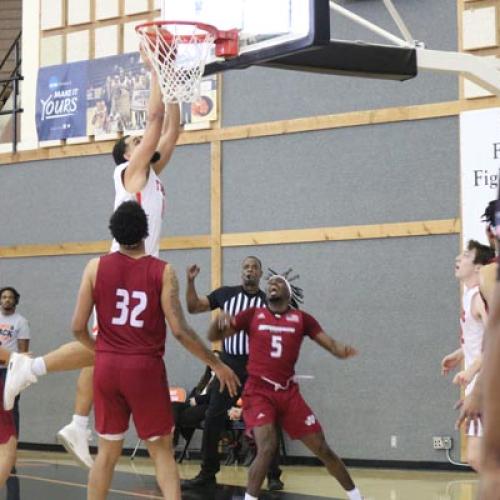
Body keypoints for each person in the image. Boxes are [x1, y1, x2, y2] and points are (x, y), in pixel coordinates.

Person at [4, 56, 182, 470]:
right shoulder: (129, 172)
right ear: (125, 155)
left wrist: (175, 87)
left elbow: (173, 129)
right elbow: (155, 119)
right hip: (123, 268)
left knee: (104, 351)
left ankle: (78, 422)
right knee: (102, 346)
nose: (144, 139)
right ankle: (30, 367)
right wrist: (157, 68)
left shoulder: (151, 174)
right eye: (136, 140)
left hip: (142, 271)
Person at [73, 201, 240, 500]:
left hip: (107, 368)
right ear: (146, 231)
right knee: (161, 452)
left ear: (113, 230)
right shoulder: (162, 272)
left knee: (107, 453)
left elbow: (76, 328)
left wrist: (102, 351)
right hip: (144, 369)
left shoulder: (94, 267)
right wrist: (216, 363)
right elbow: (179, 329)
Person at [208, 273, 362, 500]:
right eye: (270, 282)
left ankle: (357, 496)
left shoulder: (302, 319)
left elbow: (331, 345)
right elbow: (215, 335)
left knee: (322, 448)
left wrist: (343, 350)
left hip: (288, 393)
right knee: (268, 447)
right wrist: (216, 325)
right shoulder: (253, 315)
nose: (272, 284)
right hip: (259, 391)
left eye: (278, 282)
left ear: (289, 293)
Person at [182, 257, 284, 492]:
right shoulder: (226, 294)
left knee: (267, 420)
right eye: (246, 267)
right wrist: (190, 282)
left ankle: (273, 474)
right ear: (242, 272)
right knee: (213, 416)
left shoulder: (268, 301)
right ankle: (208, 473)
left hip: (258, 366)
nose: (250, 270)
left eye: (254, 267)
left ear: (260, 274)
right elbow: (193, 307)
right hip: (229, 366)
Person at [441, 240, 494, 471]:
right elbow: (481, 339)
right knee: (478, 457)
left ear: (478, 268)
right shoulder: (468, 296)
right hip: (480, 380)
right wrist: (460, 353)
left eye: (464, 256)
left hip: (488, 381)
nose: (457, 259)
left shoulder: (480, 298)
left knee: (478, 457)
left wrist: (471, 370)